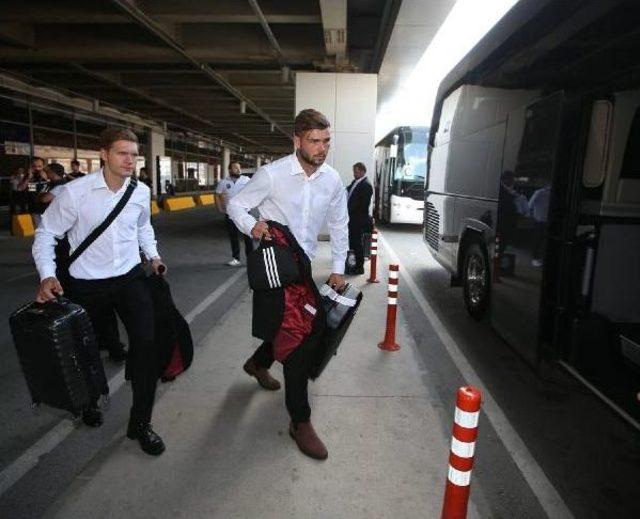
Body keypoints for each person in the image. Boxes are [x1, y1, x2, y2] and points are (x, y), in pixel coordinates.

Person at [32, 127, 167, 456]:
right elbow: (46, 234)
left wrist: (153, 254)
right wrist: (47, 276)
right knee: (82, 351)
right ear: (103, 154)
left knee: (147, 346)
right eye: (122, 153)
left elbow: (142, 227)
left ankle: (141, 423)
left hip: (130, 278)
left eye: (133, 155)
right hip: (87, 284)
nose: (129, 160)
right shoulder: (75, 193)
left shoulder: (139, 191)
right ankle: (88, 401)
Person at [228, 108, 348, 460]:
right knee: (301, 338)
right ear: (297, 140)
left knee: (284, 326)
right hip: (276, 267)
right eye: (314, 141)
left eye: (326, 141)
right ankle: (300, 420)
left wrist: (339, 268)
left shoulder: (332, 180)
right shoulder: (272, 174)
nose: (322, 148)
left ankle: (258, 363)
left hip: (305, 267)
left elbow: (340, 225)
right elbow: (237, 203)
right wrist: (252, 226)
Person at [216, 162, 253, 266]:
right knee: (233, 237)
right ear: (230, 170)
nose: (238, 169)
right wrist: (219, 208)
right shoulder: (223, 182)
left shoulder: (246, 180)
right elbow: (217, 195)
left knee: (248, 237)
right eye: (235, 168)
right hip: (231, 215)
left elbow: (255, 191)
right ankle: (236, 258)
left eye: (239, 168)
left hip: (245, 213)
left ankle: (251, 259)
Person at [345, 162, 373, 275]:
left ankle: (359, 267)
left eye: (356, 171)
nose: (354, 174)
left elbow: (363, 205)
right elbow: (347, 190)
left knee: (357, 244)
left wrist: (350, 210)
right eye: (354, 171)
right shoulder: (355, 182)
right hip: (352, 219)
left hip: (358, 220)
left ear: (362, 171)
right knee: (352, 242)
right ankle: (353, 263)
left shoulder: (366, 185)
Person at [528, 183, 551, 267]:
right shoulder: (539, 193)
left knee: (542, 240)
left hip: (545, 220)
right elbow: (530, 204)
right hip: (539, 220)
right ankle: (535, 258)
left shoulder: (547, 193)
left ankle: (538, 258)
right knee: (538, 239)